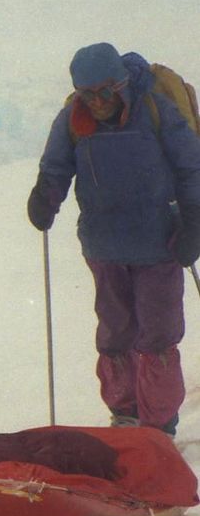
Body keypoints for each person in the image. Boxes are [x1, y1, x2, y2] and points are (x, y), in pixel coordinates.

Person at [28, 43, 200, 436]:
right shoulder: (74, 119)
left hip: (160, 244)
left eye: (105, 92)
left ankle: (158, 426)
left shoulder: (156, 109)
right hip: (104, 247)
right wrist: (44, 198)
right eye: (87, 95)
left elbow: (192, 167)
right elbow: (55, 166)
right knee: (115, 333)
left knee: (157, 334)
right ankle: (124, 415)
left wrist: (194, 221)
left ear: (122, 84)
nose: (98, 103)